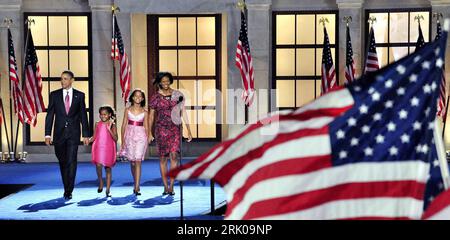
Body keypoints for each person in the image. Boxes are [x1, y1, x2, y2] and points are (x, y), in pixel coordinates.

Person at [45, 70, 90, 200]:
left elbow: (83, 115)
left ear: (71, 80)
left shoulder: (79, 96)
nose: (62, 81)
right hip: (58, 135)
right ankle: (67, 185)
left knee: (71, 161)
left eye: (65, 79)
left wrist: (86, 134)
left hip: (73, 134)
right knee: (63, 161)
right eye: (61, 79)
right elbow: (50, 116)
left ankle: (68, 190)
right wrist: (47, 134)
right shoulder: (54, 95)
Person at [149, 72, 193, 196]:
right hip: (161, 129)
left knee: (174, 156)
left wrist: (189, 130)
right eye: (163, 81)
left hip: (175, 128)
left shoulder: (178, 95)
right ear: (159, 83)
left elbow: (183, 111)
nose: (166, 83)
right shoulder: (155, 97)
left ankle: (172, 186)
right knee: (163, 158)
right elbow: (151, 116)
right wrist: (149, 132)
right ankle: (165, 186)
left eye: (167, 81)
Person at [120, 89, 150, 196]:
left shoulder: (145, 112)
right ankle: (135, 181)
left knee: (138, 160)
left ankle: (137, 186)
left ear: (142, 99)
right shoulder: (127, 110)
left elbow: (146, 126)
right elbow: (123, 125)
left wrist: (149, 135)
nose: (138, 98)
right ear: (132, 97)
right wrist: (122, 140)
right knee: (132, 162)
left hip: (141, 136)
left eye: (140, 96)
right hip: (129, 135)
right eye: (136, 96)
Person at [90, 105, 118, 198]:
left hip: (109, 148)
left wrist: (109, 129)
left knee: (108, 168)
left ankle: (108, 189)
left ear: (109, 115)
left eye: (105, 114)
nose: (103, 116)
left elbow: (116, 138)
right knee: (98, 166)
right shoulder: (97, 124)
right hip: (99, 147)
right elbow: (94, 136)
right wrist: (88, 140)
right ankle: (101, 182)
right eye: (101, 114)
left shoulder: (112, 124)